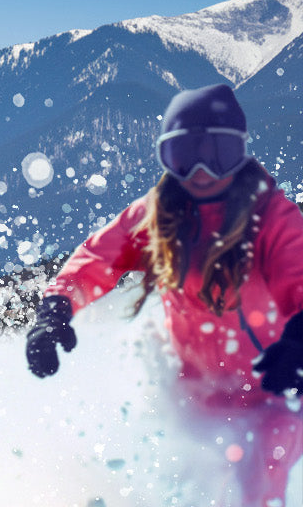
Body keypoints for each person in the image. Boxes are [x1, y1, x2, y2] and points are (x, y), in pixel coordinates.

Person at [27, 83, 303, 506]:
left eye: (218, 155)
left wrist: (299, 342)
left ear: (241, 154)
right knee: (176, 485)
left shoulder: (272, 216)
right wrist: (56, 308)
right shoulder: (158, 213)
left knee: (260, 474)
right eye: (184, 156)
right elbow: (99, 259)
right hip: (196, 395)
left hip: (277, 390)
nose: (201, 172)